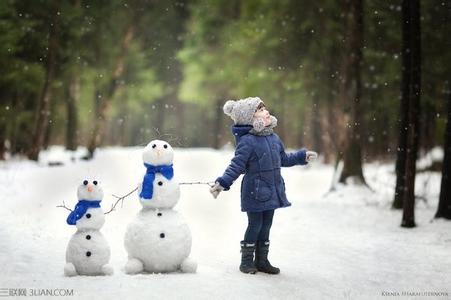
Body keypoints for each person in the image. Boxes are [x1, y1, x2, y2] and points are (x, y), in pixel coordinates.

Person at [210, 97, 317, 274]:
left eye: (264, 108)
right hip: (255, 191)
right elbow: (237, 165)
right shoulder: (247, 142)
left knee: (267, 225)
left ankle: (262, 261)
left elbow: (284, 159)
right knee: (255, 225)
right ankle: (246, 262)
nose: (266, 111)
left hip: (272, 190)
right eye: (260, 110)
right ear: (250, 119)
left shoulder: (274, 138)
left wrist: (301, 156)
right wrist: (223, 182)